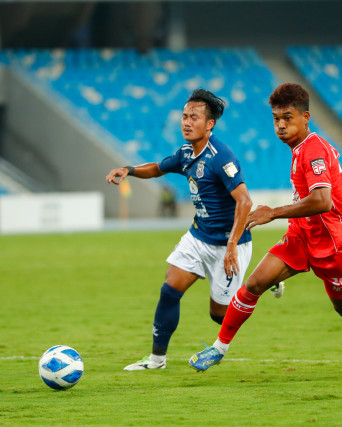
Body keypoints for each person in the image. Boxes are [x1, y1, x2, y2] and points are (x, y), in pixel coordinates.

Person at [189, 83, 342, 372]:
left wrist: (273, 212)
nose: (280, 125)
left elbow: (323, 201)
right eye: (276, 119)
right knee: (255, 284)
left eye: (287, 118)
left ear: (305, 117)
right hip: (301, 235)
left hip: (334, 244)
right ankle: (219, 348)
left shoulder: (313, 151)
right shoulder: (299, 149)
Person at [106, 89, 260, 370]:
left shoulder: (221, 157)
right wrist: (129, 169)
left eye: (194, 117)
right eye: (184, 116)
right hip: (198, 237)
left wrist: (230, 248)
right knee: (169, 290)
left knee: (219, 315)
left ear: (209, 124)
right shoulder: (186, 153)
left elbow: (245, 201)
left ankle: (263, 280)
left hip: (230, 244)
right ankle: (156, 360)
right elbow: (157, 168)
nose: (187, 122)